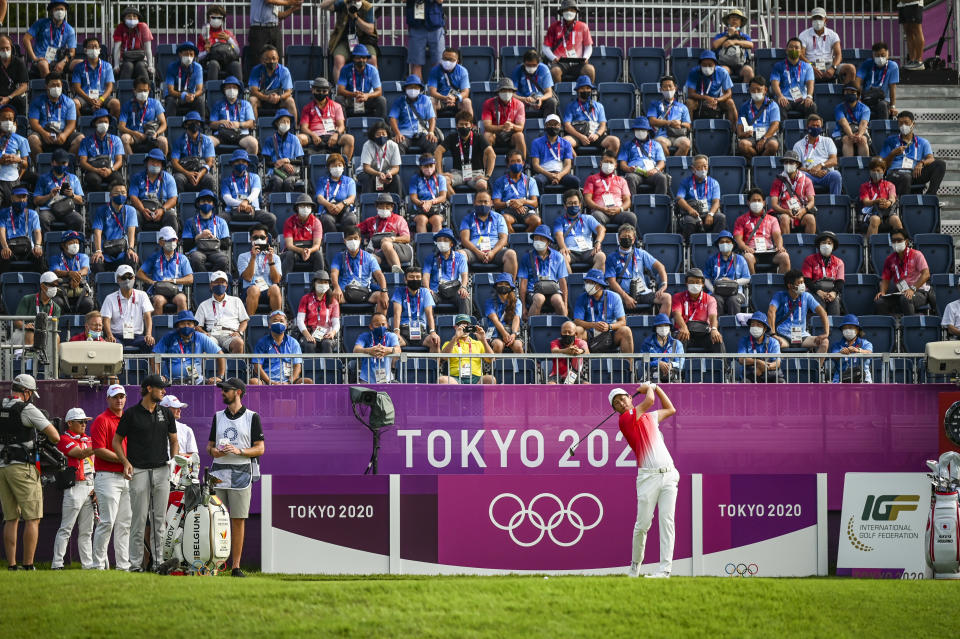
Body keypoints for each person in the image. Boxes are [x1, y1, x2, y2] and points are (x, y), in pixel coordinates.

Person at [112, 374, 178, 572]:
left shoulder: (166, 413)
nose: (164, 391)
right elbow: (116, 441)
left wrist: (173, 461)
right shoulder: (131, 414)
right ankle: (135, 565)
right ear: (149, 388)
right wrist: (125, 462)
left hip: (161, 470)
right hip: (139, 471)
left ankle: (158, 564)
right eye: (161, 387)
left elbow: (174, 440)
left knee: (159, 521)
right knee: (138, 520)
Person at [612, 384, 678, 579]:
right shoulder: (625, 420)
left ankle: (665, 570)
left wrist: (656, 387)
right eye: (617, 403)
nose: (622, 403)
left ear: (630, 398)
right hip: (648, 477)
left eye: (623, 398)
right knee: (642, 525)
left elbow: (670, 409)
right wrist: (649, 387)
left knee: (667, 521)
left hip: (669, 474)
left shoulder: (650, 417)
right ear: (615, 410)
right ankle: (635, 567)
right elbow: (648, 401)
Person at [0, 374, 59, 570]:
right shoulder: (28, 408)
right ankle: (28, 565)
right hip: (22, 467)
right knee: (32, 518)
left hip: (2, 466)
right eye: (31, 393)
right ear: (26, 392)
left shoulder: (2, 407)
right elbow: (55, 436)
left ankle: (11, 565)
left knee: (10, 518)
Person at [208, 377, 264, 577]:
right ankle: (214, 564)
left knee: (237, 520)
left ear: (238, 392)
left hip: (241, 472)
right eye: (222, 390)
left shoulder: (252, 417)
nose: (222, 392)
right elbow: (209, 446)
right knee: (215, 519)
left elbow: (260, 448)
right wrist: (215, 451)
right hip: (219, 472)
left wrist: (239, 451)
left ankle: (236, 566)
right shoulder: (217, 416)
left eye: (226, 390)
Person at [91, 384, 132, 570]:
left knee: (124, 524)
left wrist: (127, 463)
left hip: (127, 477)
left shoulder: (129, 420)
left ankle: (123, 565)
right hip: (107, 477)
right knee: (107, 522)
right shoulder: (101, 420)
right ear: (108, 399)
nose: (119, 400)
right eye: (115, 396)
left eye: (122, 396)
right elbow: (98, 450)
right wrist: (125, 461)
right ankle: (97, 565)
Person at [51, 407, 97, 570]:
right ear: (70, 423)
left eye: (86, 421)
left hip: (90, 486)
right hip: (74, 487)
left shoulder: (90, 440)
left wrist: (96, 487)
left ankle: (88, 565)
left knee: (87, 531)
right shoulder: (64, 439)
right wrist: (100, 445)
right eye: (81, 422)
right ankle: (57, 564)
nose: (84, 424)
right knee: (66, 528)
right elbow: (79, 453)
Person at [605, 224, 671, 316]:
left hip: (642, 292)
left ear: (633, 239)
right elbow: (611, 282)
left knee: (666, 298)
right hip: (622, 294)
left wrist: (664, 284)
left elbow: (660, 267)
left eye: (629, 237)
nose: (626, 238)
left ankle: (661, 327)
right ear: (619, 238)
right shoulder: (612, 257)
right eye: (624, 236)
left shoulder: (641, 253)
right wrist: (626, 297)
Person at [881, 111, 946, 197]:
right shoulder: (890, 141)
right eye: (900, 123)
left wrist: (921, 163)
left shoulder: (922, 142)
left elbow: (931, 158)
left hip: (914, 172)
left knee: (940, 164)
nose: (903, 126)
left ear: (913, 124)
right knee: (906, 177)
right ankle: (904, 204)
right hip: (895, 173)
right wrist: (892, 154)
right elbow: (882, 164)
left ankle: (930, 196)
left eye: (906, 123)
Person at [153, 310, 224, 384]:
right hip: (172, 381)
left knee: (212, 385)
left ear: (194, 326)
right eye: (183, 324)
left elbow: (220, 353)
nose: (186, 326)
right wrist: (158, 376)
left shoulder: (201, 337)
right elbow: (154, 354)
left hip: (196, 380)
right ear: (178, 326)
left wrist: (220, 376)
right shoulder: (169, 337)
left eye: (189, 323)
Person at [458, 189, 518, 278]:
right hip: (474, 252)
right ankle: (463, 288)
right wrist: (478, 252)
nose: (483, 204)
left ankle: (508, 287)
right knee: (459, 254)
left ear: (491, 203)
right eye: (480, 201)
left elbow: (504, 239)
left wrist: (492, 252)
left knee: (511, 254)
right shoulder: (467, 219)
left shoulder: (499, 218)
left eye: (486, 202)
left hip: (495, 251)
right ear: (474, 203)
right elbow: (464, 240)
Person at [874, 227, 934, 316]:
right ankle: (890, 327)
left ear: (906, 241)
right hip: (901, 292)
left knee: (905, 299)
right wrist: (882, 291)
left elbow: (926, 274)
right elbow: (885, 279)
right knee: (880, 301)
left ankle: (910, 327)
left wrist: (912, 289)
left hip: (919, 292)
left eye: (899, 240)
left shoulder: (916, 255)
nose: (896, 243)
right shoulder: (889, 259)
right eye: (893, 241)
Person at [768, 268, 829, 352]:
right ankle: (776, 365)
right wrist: (773, 334)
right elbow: (771, 311)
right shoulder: (780, 295)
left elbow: (823, 313)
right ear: (790, 285)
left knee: (825, 342)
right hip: (783, 335)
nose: (802, 285)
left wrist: (826, 333)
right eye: (799, 283)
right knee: (772, 343)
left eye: (803, 282)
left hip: (802, 336)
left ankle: (815, 365)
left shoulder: (807, 296)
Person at [330, 226, 389, 313]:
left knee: (382, 297)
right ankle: (335, 325)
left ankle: (380, 323)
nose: (353, 241)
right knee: (330, 297)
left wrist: (384, 291)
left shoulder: (369, 257)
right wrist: (336, 288)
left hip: (365, 293)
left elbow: (379, 275)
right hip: (344, 293)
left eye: (355, 238)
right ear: (344, 241)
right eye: (350, 239)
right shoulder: (339, 257)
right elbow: (334, 273)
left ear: (360, 239)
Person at [573, 268, 633, 353]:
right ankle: (584, 364)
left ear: (600, 285)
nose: (588, 285)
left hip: (609, 333)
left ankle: (629, 365)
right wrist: (593, 325)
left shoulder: (615, 297)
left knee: (626, 330)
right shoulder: (581, 298)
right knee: (578, 330)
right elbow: (577, 321)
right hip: (590, 333)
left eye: (591, 282)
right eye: (587, 282)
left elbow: (623, 322)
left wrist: (609, 326)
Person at [436, 110, 494, 194]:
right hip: (457, 173)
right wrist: (440, 172)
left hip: (476, 173)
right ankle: (455, 203)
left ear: (471, 125)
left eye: (466, 124)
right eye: (461, 124)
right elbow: (438, 151)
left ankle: (478, 204)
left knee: (482, 184)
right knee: (443, 181)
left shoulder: (478, 137)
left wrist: (487, 175)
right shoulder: (452, 137)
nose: (464, 127)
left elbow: (491, 154)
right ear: (457, 126)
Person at [138, 226, 193, 315]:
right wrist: (152, 282)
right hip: (159, 291)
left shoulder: (182, 258)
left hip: (176, 291)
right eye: (168, 240)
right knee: (158, 300)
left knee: (182, 299)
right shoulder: (154, 257)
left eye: (174, 240)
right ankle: (157, 328)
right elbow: (139, 273)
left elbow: (190, 279)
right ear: (161, 242)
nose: (172, 242)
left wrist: (173, 281)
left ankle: (183, 326)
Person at [100, 264, 155, 353]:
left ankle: (151, 367)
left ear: (134, 278)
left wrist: (148, 334)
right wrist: (110, 335)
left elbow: (147, 316)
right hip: (117, 335)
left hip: (136, 335)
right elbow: (106, 319)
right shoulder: (110, 298)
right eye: (124, 277)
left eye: (130, 277)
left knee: (150, 343)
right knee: (112, 345)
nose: (127, 280)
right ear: (117, 279)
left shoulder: (142, 295)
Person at [518, 224, 569, 318]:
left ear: (548, 242)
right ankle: (531, 328)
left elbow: (562, 282)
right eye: (536, 238)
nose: (538, 241)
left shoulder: (558, 257)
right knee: (539, 298)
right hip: (533, 291)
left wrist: (565, 305)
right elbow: (523, 284)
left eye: (542, 239)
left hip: (553, 290)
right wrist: (523, 307)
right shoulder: (527, 257)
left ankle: (562, 327)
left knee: (558, 299)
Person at [298, 77, 354, 160]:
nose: (321, 93)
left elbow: (341, 126)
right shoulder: (307, 108)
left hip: (332, 135)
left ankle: (344, 166)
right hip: (314, 136)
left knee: (349, 139)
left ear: (328, 91)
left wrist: (336, 134)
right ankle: (301, 167)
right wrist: (313, 135)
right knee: (298, 138)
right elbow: (304, 128)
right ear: (313, 90)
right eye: (318, 90)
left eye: (324, 91)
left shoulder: (336, 106)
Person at [220, 149, 277, 231]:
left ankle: (264, 239)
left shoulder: (255, 177)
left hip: (254, 210)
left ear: (247, 164)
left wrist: (246, 201)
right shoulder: (226, 181)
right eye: (237, 161)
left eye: (243, 161)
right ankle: (226, 241)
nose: (240, 163)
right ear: (232, 164)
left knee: (271, 218)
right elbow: (227, 199)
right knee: (218, 221)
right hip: (232, 211)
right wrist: (242, 204)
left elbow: (255, 193)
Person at [27, 72, 81, 157]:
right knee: (32, 139)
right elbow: (33, 122)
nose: (56, 88)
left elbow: (72, 124)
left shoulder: (69, 103)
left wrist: (64, 134)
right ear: (46, 86)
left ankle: (68, 165)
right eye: (53, 85)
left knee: (80, 139)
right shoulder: (37, 102)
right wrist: (44, 133)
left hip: (63, 135)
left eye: (58, 85)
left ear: (62, 85)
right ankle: (42, 166)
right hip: (44, 134)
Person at [671, 268, 723, 355]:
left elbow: (713, 316)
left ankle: (723, 367)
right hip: (685, 331)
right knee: (681, 337)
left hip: (703, 333)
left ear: (702, 284)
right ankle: (677, 367)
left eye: (697, 282)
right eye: (691, 282)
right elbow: (677, 314)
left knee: (717, 338)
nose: (694, 284)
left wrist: (714, 329)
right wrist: (683, 327)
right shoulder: (678, 297)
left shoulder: (710, 299)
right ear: (686, 283)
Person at [251, 310, 312, 385]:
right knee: (254, 382)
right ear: (269, 325)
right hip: (267, 381)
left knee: (307, 382)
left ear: (286, 325)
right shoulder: (262, 342)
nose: (279, 323)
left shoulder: (293, 343)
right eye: (275, 320)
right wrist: (270, 381)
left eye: (281, 321)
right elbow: (257, 366)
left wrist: (289, 382)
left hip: (289, 382)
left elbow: (297, 365)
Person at [323, 0, 378, 82]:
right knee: (339, 59)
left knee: (372, 59)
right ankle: (339, 89)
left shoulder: (367, 7)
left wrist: (355, 17)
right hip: (344, 40)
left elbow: (370, 30)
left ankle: (373, 88)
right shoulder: (343, 3)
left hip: (364, 41)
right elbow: (323, 5)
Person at [195, 270, 249, 354]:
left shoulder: (236, 301)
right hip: (212, 334)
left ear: (226, 285)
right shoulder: (204, 304)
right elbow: (197, 325)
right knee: (205, 342)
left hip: (230, 334)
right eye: (216, 282)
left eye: (222, 282)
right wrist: (204, 333)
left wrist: (239, 332)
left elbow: (244, 321)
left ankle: (235, 366)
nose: (220, 285)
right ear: (211, 285)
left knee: (239, 342)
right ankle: (208, 367)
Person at [562, 75, 618, 156]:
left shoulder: (599, 106)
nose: (585, 90)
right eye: (582, 88)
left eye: (588, 88)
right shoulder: (571, 106)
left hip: (595, 135)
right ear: (578, 90)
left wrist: (597, 134)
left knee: (614, 141)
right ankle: (577, 164)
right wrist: (581, 137)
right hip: (578, 135)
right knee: (565, 142)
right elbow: (567, 126)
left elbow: (603, 125)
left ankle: (605, 164)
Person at [357, 192, 413, 272]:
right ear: (377, 207)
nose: (384, 209)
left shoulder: (399, 219)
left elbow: (407, 238)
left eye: (387, 207)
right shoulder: (370, 221)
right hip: (379, 253)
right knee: (369, 258)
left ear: (392, 208)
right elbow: (355, 230)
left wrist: (392, 239)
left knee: (386, 244)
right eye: (381, 207)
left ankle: (398, 272)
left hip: (400, 250)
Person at [542, 0, 595, 83]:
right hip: (560, 62)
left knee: (589, 69)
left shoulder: (583, 26)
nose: (569, 12)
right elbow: (545, 47)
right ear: (562, 12)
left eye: (572, 10)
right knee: (555, 71)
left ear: (575, 12)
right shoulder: (554, 27)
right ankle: (557, 95)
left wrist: (586, 57)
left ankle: (587, 94)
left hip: (578, 62)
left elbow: (588, 46)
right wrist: (553, 58)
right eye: (566, 10)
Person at [552, 188, 605, 272]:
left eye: (575, 203)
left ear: (580, 205)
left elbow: (601, 229)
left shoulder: (588, 218)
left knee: (601, 256)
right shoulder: (560, 220)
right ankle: (571, 283)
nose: (573, 205)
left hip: (588, 251)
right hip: (570, 251)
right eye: (570, 203)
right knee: (561, 257)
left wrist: (598, 242)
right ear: (565, 206)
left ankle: (591, 283)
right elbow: (558, 234)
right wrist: (563, 247)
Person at [674, 154, 726, 239]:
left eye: (705, 166)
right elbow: (679, 199)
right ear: (693, 169)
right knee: (689, 221)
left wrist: (711, 214)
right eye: (699, 167)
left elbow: (716, 202)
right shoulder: (685, 182)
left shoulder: (714, 183)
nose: (703, 170)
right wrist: (690, 210)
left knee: (721, 218)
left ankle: (716, 244)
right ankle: (688, 247)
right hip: (693, 214)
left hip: (708, 213)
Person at [33, 147, 84, 233]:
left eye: (64, 163)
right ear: (52, 163)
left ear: (67, 163)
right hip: (48, 209)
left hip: (67, 209)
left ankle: (72, 241)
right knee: (43, 218)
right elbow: (36, 200)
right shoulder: (43, 178)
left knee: (78, 219)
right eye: (58, 163)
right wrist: (49, 195)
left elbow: (81, 201)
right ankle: (47, 244)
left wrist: (72, 195)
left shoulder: (73, 178)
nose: (61, 165)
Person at [583, 150, 638, 229]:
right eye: (606, 162)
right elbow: (587, 199)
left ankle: (629, 240)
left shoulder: (621, 180)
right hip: (600, 212)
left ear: (615, 165)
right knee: (596, 216)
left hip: (618, 212)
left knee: (631, 216)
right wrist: (601, 209)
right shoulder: (591, 179)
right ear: (601, 163)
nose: (608, 165)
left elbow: (627, 200)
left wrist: (620, 209)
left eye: (611, 163)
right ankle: (598, 241)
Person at [91, 183, 139, 273]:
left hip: (122, 252)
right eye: (117, 193)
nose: (120, 195)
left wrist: (131, 249)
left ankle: (129, 285)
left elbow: (131, 232)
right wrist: (98, 251)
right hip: (105, 252)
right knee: (96, 262)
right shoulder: (102, 210)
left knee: (133, 258)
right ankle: (101, 286)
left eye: (123, 192)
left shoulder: (130, 210)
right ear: (110, 195)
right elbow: (97, 232)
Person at [246, 0, 303, 75]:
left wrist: (292, 9)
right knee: (258, 61)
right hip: (259, 29)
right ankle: (256, 84)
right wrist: (291, 2)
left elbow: (279, 16)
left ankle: (276, 84)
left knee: (276, 60)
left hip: (274, 28)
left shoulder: (276, 2)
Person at [391, 266, 440, 351]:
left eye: (418, 277)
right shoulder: (399, 291)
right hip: (404, 331)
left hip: (421, 331)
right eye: (411, 277)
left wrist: (432, 332)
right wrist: (396, 332)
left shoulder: (425, 292)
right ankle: (394, 365)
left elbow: (429, 314)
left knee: (435, 341)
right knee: (393, 343)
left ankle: (435, 365)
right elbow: (396, 314)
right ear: (405, 280)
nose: (415, 279)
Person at [23, 0, 76, 80]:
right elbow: (26, 39)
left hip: (60, 60)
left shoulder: (70, 29)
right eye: (57, 9)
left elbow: (72, 52)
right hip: (41, 59)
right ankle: (49, 90)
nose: (60, 12)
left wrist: (63, 62)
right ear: (51, 11)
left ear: (65, 11)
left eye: (62, 9)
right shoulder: (41, 23)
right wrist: (34, 58)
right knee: (44, 65)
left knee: (80, 64)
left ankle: (74, 90)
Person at [798, 8, 853, 84]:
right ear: (811, 20)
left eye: (820, 18)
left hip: (829, 65)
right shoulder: (804, 35)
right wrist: (811, 67)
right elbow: (801, 55)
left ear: (825, 20)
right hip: (810, 65)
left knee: (850, 69)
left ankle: (847, 94)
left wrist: (833, 68)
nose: (817, 21)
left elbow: (838, 55)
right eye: (815, 18)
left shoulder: (833, 35)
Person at [238, 224, 283, 315]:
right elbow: (247, 278)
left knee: (275, 288)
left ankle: (277, 320)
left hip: (269, 290)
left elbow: (276, 280)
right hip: (249, 290)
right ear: (251, 239)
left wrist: (271, 261)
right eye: (255, 237)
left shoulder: (275, 257)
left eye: (262, 237)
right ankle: (249, 323)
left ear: (266, 239)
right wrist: (253, 257)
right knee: (254, 289)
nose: (259, 240)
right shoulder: (243, 256)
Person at [129, 148, 178, 232]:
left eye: (158, 162)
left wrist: (162, 210)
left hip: (162, 211)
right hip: (143, 210)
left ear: (162, 165)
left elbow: (173, 199)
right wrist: (143, 210)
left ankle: (171, 243)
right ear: (147, 163)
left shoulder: (169, 178)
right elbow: (133, 197)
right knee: (133, 214)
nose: (155, 164)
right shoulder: (137, 177)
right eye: (152, 161)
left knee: (171, 216)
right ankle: (135, 244)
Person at [437, 314, 496, 385]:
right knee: (442, 380)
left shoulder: (478, 343)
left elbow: (492, 359)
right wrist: (456, 337)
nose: (464, 328)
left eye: (467, 325)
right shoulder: (449, 343)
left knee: (490, 379)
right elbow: (444, 357)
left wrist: (483, 340)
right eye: (461, 325)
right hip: (456, 378)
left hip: (476, 378)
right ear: (455, 327)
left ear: (470, 327)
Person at [423, 228, 470, 315]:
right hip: (436, 291)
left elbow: (464, 275)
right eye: (439, 240)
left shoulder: (460, 257)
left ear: (451, 243)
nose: (442, 242)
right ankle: (430, 327)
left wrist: (463, 287)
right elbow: (426, 275)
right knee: (426, 296)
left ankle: (464, 326)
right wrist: (427, 288)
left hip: (454, 291)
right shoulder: (430, 258)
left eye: (445, 240)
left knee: (464, 297)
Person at [791, 114, 841, 196]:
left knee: (836, 175)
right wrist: (812, 171)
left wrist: (821, 165)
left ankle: (834, 203)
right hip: (808, 175)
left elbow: (834, 160)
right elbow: (796, 167)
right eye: (813, 125)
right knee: (799, 175)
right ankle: (803, 203)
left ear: (821, 127)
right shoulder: (798, 145)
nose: (815, 128)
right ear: (807, 127)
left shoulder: (828, 141)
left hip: (825, 173)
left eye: (818, 126)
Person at [389, 75, 440, 156]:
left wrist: (431, 132)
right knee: (397, 144)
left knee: (432, 142)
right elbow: (392, 118)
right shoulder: (399, 101)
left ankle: (430, 166)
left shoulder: (426, 100)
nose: (413, 90)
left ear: (420, 89)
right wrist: (397, 133)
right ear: (405, 88)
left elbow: (432, 118)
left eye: (416, 87)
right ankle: (400, 168)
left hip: (422, 133)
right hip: (404, 134)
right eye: (410, 87)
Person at [703, 230, 750, 315]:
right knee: (716, 300)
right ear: (718, 244)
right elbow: (705, 278)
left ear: (732, 244)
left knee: (733, 300)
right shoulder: (712, 259)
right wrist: (712, 289)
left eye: (728, 242)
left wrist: (733, 282)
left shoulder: (740, 259)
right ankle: (717, 327)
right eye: (722, 242)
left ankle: (733, 327)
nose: (725, 244)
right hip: (716, 292)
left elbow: (747, 278)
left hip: (736, 292)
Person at [182, 190, 230, 273]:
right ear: (198, 204)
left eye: (209, 201)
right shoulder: (190, 222)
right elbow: (186, 245)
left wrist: (215, 239)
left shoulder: (221, 222)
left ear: (213, 204)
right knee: (195, 259)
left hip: (216, 251)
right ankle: (204, 281)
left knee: (223, 260)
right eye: (203, 201)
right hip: (197, 250)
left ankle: (211, 281)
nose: (206, 203)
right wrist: (199, 237)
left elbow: (226, 244)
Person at [492, 148, 540, 232]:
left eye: (518, 161)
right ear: (508, 164)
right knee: (504, 219)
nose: (516, 163)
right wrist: (510, 203)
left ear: (523, 163)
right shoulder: (500, 182)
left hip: (526, 210)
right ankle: (513, 242)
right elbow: (496, 204)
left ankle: (523, 242)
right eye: (513, 161)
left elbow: (535, 203)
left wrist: (522, 202)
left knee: (537, 221)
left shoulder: (530, 181)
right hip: (508, 211)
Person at [118, 76, 168, 155]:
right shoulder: (127, 105)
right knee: (125, 138)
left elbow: (164, 124)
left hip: (151, 135)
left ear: (149, 90)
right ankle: (131, 163)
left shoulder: (155, 103)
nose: (143, 93)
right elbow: (121, 126)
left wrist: (157, 133)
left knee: (163, 141)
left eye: (145, 90)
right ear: (134, 91)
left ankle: (162, 164)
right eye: (140, 90)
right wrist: (134, 133)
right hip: (134, 136)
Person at [71, 36, 120, 118]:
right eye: (90, 46)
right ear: (85, 50)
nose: (94, 49)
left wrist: (101, 100)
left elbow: (110, 86)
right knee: (73, 104)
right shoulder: (79, 67)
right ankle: (80, 125)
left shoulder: (107, 66)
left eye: (96, 46)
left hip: (102, 96)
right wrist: (89, 100)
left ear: (99, 50)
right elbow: (77, 88)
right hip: (84, 97)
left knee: (116, 104)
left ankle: (110, 125)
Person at [618, 116, 668, 195]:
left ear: (648, 131)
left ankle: (660, 205)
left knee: (662, 178)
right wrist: (628, 169)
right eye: (637, 129)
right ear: (634, 131)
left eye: (643, 129)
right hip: (635, 173)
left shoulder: (656, 145)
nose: (640, 131)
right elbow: (622, 164)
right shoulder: (627, 145)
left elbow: (662, 162)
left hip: (652, 173)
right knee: (630, 178)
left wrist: (656, 170)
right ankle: (632, 206)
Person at [684, 50, 737, 124]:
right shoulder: (694, 72)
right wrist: (706, 98)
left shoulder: (722, 72)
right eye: (704, 65)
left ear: (715, 64)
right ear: (700, 65)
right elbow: (691, 93)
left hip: (717, 100)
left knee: (730, 102)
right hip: (699, 100)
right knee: (689, 102)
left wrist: (717, 100)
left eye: (710, 65)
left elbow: (728, 93)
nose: (707, 67)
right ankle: (689, 130)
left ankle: (733, 131)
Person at [530, 114, 579, 194]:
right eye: (550, 124)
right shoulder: (536, 142)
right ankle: (539, 205)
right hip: (544, 173)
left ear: (559, 126)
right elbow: (535, 165)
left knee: (574, 181)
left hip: (561, 173)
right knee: (537, 181)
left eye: (555, 124)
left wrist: (559, 176)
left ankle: (569, 203)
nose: (553, 127)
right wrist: (550, 175)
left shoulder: (566, 143)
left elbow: (568, 165)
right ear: (545, 126)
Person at [78, 109, 124, 192]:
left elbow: (119, 161)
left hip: (111, 170)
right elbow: (82, 162)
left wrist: (111, 170)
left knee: (119, 180)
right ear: (95, 123)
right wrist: (96, 170)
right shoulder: (85, 141)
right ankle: (98, 201)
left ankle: (113, 201)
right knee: (93, 180)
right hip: (93, 171)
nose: (103, 124)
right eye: (100, 122)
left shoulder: (116, 140)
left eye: (106, 122)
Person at [771, 150, 816, 235]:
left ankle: (809, 247)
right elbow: (774, 204)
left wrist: (803, 210)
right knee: (784, 218)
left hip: (801, 212)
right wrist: (786, 211)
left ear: (797, 164)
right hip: (784, 212)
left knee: (811, 218)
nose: (788, 164)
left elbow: (812, 201)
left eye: (791, 162)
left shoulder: (806, 180)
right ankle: (786, 247)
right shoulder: (778, 181)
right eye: (786, 162)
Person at [170, 111, 216, 194]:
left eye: (196, 122)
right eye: (191, 122)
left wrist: (200, 174)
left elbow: (210, 162)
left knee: (210, 179)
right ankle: (179, 205)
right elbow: (174, 162)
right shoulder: (179, 141)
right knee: (178, 179)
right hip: (184, 172)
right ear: (186, 125)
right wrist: (187, 173)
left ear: (200, 124)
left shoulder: (207, 141)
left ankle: (209, 204)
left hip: (201, 170)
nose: (194, 124)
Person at [335, 44, 386, 119]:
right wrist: (354, 94)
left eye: (364, 57)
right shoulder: (345, 69)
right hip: (351, 98)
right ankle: (343, 127)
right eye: (358, 57)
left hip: (366, 98)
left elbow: (379, 91)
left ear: (366, 58)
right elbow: (340, 90)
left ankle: (379, 127)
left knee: (381, 100)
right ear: (353, 58)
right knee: (339, 99)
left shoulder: (373, 70)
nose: (361, 60)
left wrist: (367, 95)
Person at [209, 76, 258, 155]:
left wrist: (239, 124)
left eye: (234, 87)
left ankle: (247, 165)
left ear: (238, 90)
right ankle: (212, 166)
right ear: (224, 90)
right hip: (222, 134)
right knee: (207, 142)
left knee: (253, 144)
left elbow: (251, 123)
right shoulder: (218, 104)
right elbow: (211, 124)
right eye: (228, 87)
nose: (231, 90)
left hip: (240, 134)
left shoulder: (245, 104)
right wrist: (220, 123)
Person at [771, 38, 817, 120]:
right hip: (785, 98)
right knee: (777, 105)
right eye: (791, 47)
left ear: (801, 51)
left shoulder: (807, 66)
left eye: (796, 47)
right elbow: (774, 82)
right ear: (786, 50)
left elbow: (810, 83)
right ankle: (781, 131)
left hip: (801, 99)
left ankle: (808, 130)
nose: (794, 49)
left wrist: (809, 96)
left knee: (812, 106)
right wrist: (780, 96)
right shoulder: (778, 66)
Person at [12, 271, 62, 347]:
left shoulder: (56, 308)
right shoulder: (27, 299)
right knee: (30, 334)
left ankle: (52, 358)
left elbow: (54, 327)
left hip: (45, 333)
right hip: (23, 332)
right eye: (52, 285)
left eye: (56, 285)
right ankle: (28, 358)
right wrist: (26, 326)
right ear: (42, 286)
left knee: (56, 336)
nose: (54, 288)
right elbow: (17, 322)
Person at [0, 186, 43, 273]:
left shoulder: (33, 214)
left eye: (24, 197)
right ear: (12, 198)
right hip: (9, 248)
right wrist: (5, 247)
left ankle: (41, 283)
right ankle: (3, 284)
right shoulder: (4, 213)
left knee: (39, 255)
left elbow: (37, 232)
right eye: (19, 197)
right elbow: (1, 231)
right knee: (4, 255)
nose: (22, 200)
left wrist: (37, 245)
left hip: (27, 248)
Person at [49, 230, 93, 314]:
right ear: (63, 245)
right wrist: (69, 274)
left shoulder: (83, 257)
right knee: (56, 302)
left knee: (88, 303)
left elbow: (85, 270)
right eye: (72, 242)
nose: (75, 245)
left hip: (80, 291)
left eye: (77, 242)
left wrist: (76, 277)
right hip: (62, 292)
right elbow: (55, 271)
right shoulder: (55, 258)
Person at [736, 76, 780, 159]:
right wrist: (745, 134)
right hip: (751, 136)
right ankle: (757, 162)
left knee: (773, 145)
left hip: (768, 135)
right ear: (749, 90)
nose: (756, 92)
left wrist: (764, 138)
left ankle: (757, 163)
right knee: (743, 144)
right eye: (753, 90)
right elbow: (739, 129)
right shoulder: (744, 107)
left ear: (765, 90)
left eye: (759, 90)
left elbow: (775, 125)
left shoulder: (773, 105)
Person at [801, 230, 845, 316]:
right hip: (814, 291)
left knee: (835, 303)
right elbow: (807, 280)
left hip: (831, 292)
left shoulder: (839, 262)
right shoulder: (809, 260)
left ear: (833, 246)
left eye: (829, 243)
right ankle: (817, 327)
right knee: (819, 302)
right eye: (823, 243)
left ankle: (833, 327)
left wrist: (833, 293)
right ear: (819, 245)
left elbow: (840, 282)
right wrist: (818, 291)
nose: (826, 245)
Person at [647, 75, 692, 157]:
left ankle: (675, 166)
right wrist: (670, 123)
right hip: (662, 135)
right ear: (661, 90)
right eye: (664, 87)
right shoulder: (655, 104)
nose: (668, 89)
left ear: (675, 88)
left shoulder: (683, 107)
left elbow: (688, 125)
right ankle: (668, 165)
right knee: (659, 143)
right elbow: (652, 121)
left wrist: (680, 123)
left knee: (686, 143)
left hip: (678, 135)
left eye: (670, 86)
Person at [262, 108, 305, 193]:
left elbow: (300, 161)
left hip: (291, 173)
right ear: (277, 123)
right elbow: (267, 162)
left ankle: (288, 205)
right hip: (275, 172)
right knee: (278, 181)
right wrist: (279, 163)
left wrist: (286, 161)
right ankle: (275, 205)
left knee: (289, 182)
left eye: (288, 122)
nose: (286, 124)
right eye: (283, 121)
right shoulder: (270, 140)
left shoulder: (294, 139)